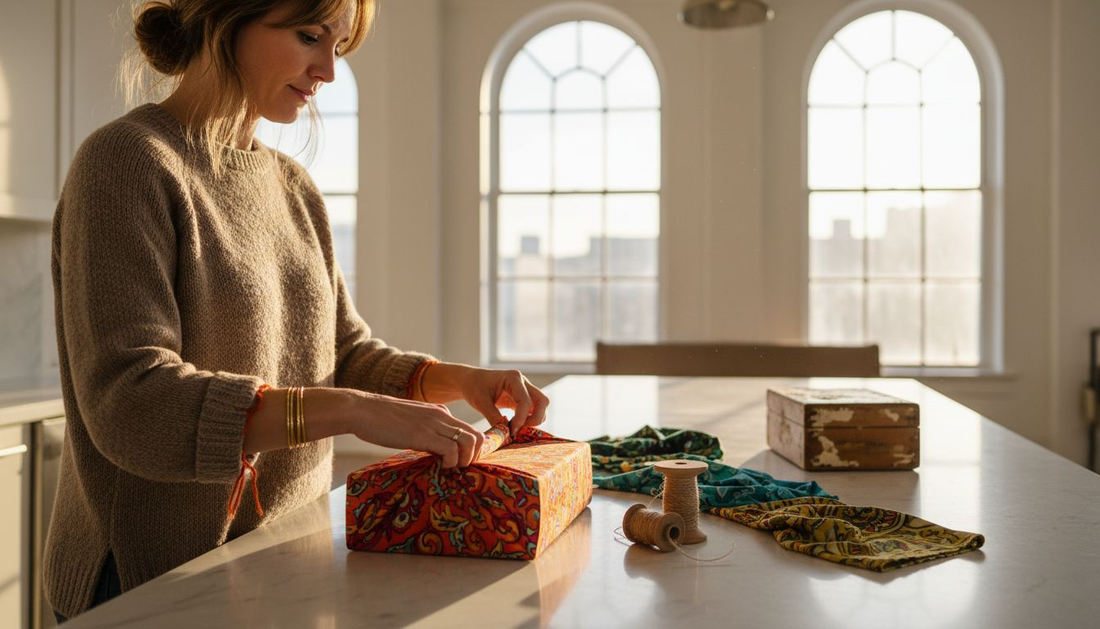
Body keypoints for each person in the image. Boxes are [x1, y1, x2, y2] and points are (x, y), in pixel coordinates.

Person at [45, 0, 549, 622]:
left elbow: (344, 354)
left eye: (338, 48)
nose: (328, 73)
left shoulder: (294, 187)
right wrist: (353, 411)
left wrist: (460, 380)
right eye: (311, 37)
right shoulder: (126, 162)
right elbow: (134, 404)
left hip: (281, 559)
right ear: (223, 20)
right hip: (148, 574)